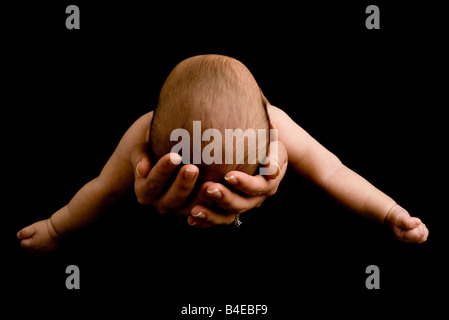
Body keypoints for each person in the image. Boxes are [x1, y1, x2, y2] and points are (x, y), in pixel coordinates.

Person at [17, 55, 428, 255]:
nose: (205, 199)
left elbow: (334, 173)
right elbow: (103, 189)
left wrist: (389, 211)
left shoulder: (275, 123)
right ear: (153, 134)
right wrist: (57, 227)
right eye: (196, 182)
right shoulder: (140, 134)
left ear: (268, 136)